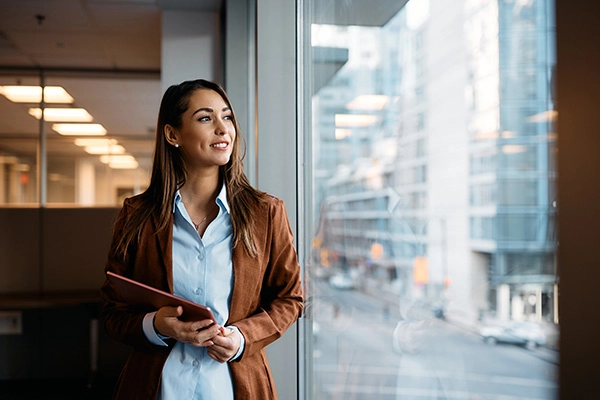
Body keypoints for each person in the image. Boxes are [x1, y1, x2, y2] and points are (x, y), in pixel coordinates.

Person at [100, 79, 304, 400]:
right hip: (158, 387)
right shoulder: (137, 214)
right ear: (172, 134)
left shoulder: (266, 212)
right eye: (206, 118)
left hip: (236, 388)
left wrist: (241, 338)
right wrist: (156, 325)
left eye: (228, 117)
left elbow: (290, 299)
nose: (223, 129)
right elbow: (112, 311)